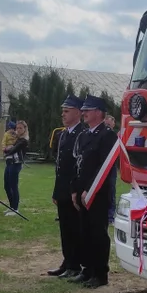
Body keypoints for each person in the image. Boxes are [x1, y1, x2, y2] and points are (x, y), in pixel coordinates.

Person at [70, 95, 118, 288]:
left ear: (98, 112)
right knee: (85, 232)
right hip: (82, 192)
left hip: (98, 193)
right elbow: (78, 164)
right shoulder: (84, 135)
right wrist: (75, 189)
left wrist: (89, 189)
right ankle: (87, 269)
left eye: (87, 110)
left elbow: (104, 167)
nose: (84, 113)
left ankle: (100, 274)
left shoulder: (107, 135)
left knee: (98, 234)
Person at [48, 95, 86, 278]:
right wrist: (56, 191)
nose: (63, 114)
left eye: (67, 111)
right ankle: (67, 261)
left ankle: (75, 264)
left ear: (78, 112)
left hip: (75, 190)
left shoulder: (82, 133)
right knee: (64, 228)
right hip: (62, 189)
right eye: (62, 111)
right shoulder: (63, 133)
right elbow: (59, 165)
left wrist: (75, 190)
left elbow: (78, 165)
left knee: (74, 227)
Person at [3, 120, 28, 215]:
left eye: (20, 128)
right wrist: (7, 148)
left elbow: (13, 149)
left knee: (13, 185)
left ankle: (15, 208)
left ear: (25, 129)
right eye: (17, 128)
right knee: (6, 185)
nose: (18, 130)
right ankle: (12, 206)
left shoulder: (24, 140)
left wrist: (8, 149)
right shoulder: (17, 139)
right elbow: (8, 148)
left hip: (16, 164)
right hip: (9, 163)